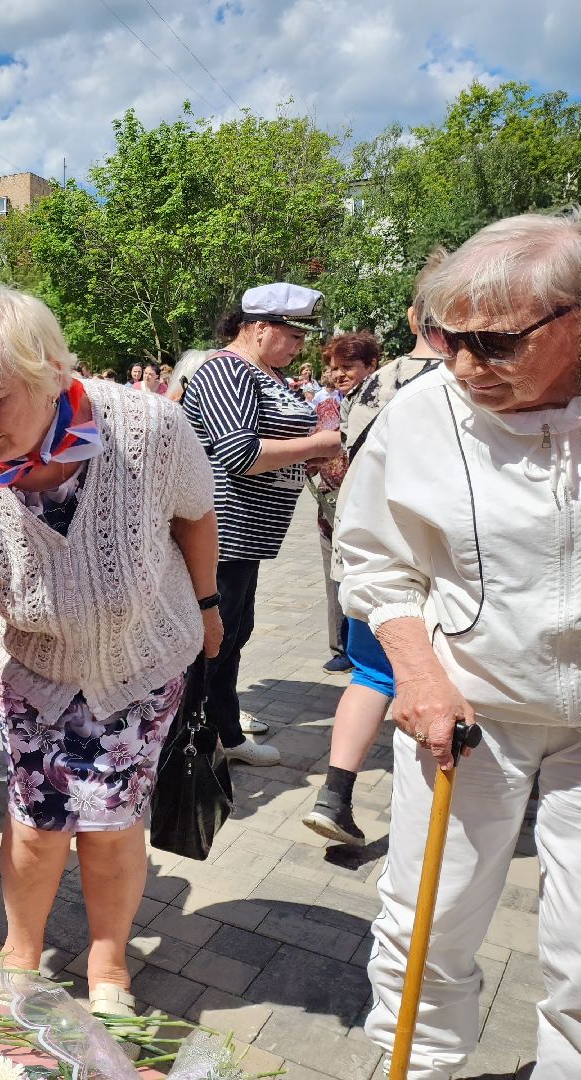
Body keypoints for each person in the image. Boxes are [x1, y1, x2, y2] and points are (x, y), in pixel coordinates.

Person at [0, 287, 221, 1020]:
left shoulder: (148, 427)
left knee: (114, 825)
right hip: (39, 673)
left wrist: (208, 605)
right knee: (36, 822)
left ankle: (108, 960)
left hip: (141, 661)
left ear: (52, 372)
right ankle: (21, 952)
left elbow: (197, 515)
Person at [336, 213, 581, 1079]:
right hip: (470, 709)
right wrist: (417, 669)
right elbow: (370, 554)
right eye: (451, 339)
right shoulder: (423, 413)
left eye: (497, 344)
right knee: (428, 921)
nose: (467, 365)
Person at [303, 258, 447, 848]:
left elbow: (338, 463)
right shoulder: (483, 380)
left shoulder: (378, 381)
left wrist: (341, 529)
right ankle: (432, 824)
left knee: (372, 673)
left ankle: (335, 792)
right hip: (445, 566)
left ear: (413, 316)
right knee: (441, 683)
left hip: (372, 559)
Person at [183, 283, 341, 766]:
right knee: (213, 638)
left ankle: (222, 733)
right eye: (291, 334)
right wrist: (320, 446)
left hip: (247, 534)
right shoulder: (226, 371)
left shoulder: (261, 371)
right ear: (256, 328)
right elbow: (240, 452)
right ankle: (190, 742)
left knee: (233, 632)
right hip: (221, 533)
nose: (300, 345)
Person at [311, 332, 381, 676]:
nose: (338, 374)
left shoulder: (382, 403)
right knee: (333, 579)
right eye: (333, 368)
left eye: (347, 367)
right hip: (329, 504)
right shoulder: (325, 403)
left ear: (371, 365)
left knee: (366, 578)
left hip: (369, 506)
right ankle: (341, 647)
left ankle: (370, 647)